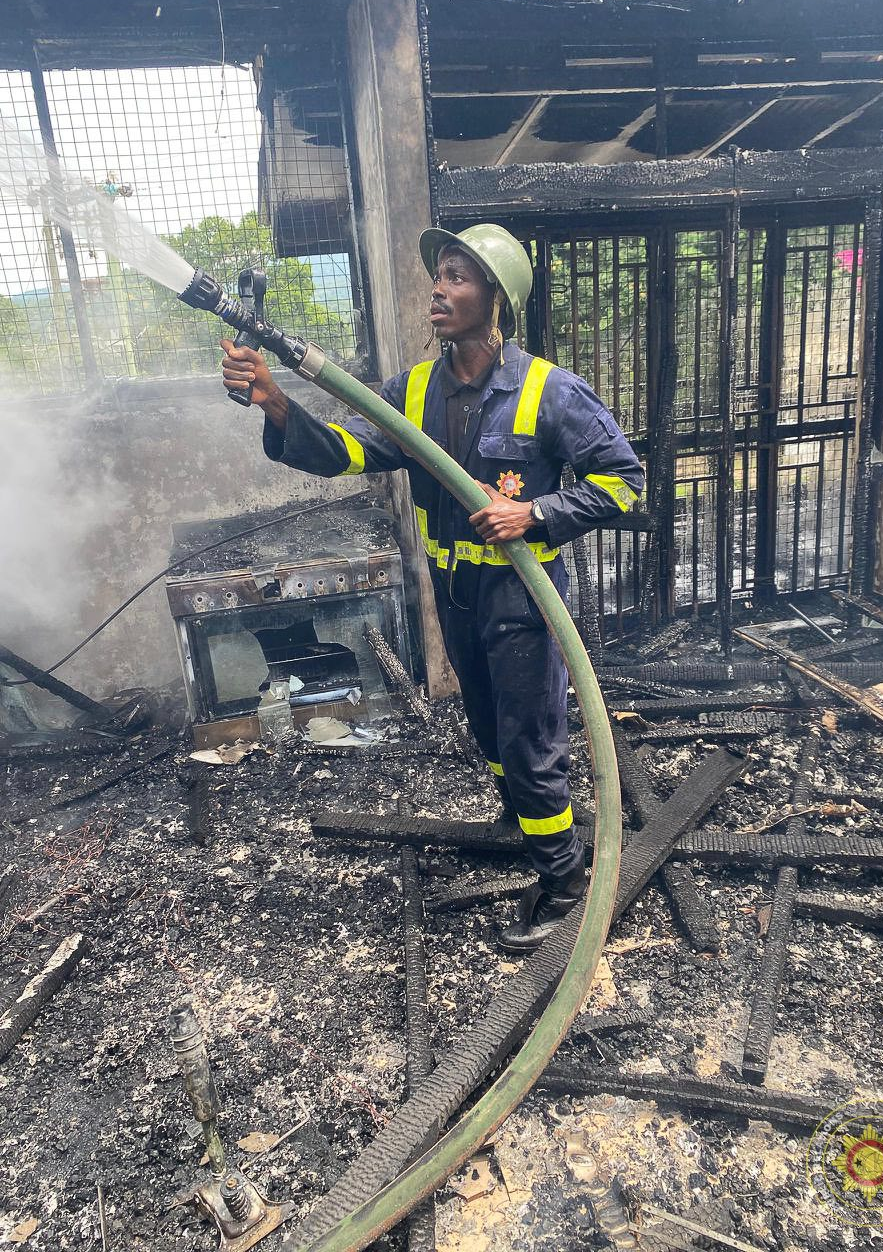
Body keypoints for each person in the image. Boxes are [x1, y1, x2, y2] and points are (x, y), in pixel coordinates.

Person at [220, 224, 644, 952]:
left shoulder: (552, 391)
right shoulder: (410, 390)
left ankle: (566, 881)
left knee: (528, 737)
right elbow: (350, 450)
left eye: (457, 277)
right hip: (455, 593)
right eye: (439, 275)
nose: (438, 290)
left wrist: (535, 512)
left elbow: (626, 484)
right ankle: (524, 819)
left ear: (495, 298)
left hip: (522, 596)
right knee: (486, 728)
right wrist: (277, 405)